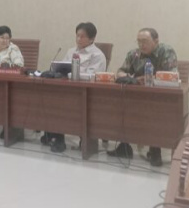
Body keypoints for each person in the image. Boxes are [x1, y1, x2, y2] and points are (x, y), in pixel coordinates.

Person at [108, 28, 178, 167]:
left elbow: (170, 75)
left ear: (156, 41)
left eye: (145, 41)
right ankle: (124, 146)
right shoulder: (133, 54)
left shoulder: (166, 51)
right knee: (120, 104)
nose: (141, 45)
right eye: (139, 41)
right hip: (137, 95)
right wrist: (131, 78)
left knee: (153, 110)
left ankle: (155, 149)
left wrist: (148, 78)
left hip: (160, 97)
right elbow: (120, 72)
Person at [45, 22, 107, 152]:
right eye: (77, 35)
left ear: (92, 38)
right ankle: (56, 137)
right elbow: (62, 68)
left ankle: (80, 139)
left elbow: (92, 76)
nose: (78, 39)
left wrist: (74, 72)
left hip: (87, 93)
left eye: (82, 36)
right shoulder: (71, 51)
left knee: (65, 104)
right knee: (53, 100)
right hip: (68, 89)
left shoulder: (98, 55)